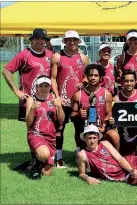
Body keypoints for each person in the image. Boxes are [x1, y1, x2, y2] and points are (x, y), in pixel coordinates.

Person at [51, 30, 90, 167]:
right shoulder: (57, 56)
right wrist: (57, 97)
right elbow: (53, 79)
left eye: (74, 40)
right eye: (69, 40)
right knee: (59, 129)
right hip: (62, 101)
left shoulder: (83, 58)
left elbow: (88, 76)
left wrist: (83, 82)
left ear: (78, 42)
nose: (72, 42)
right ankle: (59, 157)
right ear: (64, 42)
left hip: (78, 102)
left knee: (79, 129)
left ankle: (79, 155)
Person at [2, 28, 52, 121]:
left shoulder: (50, 54)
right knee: (33, 131)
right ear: (32, 40)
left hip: (47, 100)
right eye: (36, 38)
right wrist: (16, 91)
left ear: (45, 41)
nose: (39, 41)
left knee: (48, 128)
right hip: (29, 101)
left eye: (42, 39)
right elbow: (6, 71)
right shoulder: (24, 54)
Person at [105, 70, 137, 156]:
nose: (129, 83)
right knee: (129, 161)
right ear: (122, 82)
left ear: (135, 81)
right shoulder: (116, 99)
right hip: (123, 134)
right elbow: (112, 122)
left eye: (131, 81)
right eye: (126, 81)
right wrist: (111, 121)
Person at [25, 76, 65, 179]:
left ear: (50, 87)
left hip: (50, 137)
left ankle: (32, 165)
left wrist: (59, 106)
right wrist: (31, 110)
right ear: (36, 87)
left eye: (46, 86)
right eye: (41, 86)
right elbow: (28, 123)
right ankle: (35, 166)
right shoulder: (31, 99)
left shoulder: (54, 98)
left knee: (46, 173)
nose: (43, 88)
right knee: (44, 154)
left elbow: (61, 119)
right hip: (35, 134)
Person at [71, 64, 112, 151]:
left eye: (96, 75)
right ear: (87, 77)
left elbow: (109, 113)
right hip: (85, 129)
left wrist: (103, 126)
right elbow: (72, 115)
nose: (93, 78)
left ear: (100, 78)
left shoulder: (107, 94)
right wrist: (78, 114)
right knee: (77, 127)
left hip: (100, 128)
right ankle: (79, 151)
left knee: (113, 135)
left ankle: (113, 156)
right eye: (91, 75)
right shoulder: (78, 95)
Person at [116, 29, 137, 93]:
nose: (133, 41)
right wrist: (123, 77)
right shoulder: (121, 57)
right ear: (127, 40)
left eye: (135, 39)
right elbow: (118, 78)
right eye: (130, 39)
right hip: (126, 89)